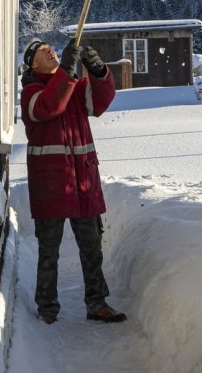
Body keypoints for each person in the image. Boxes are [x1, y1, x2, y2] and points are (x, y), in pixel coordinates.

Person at [19, 37, 126, 324]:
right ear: (32, 64)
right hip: (50, 184)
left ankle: (97, 303)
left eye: (49, 47)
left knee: (92, 247)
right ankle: (48, 308)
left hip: (83, 180)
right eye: (42, 52)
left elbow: (101, 101)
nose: (49, 50)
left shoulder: (76, 88)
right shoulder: (30, 93)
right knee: (49, 251)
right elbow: (50, 106)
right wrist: (67, 69)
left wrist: (98, 70)